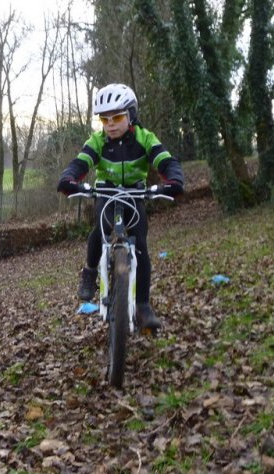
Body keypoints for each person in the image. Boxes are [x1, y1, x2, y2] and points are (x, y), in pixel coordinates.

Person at [57, 83, 184, 330]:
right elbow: (81, 162)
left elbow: (165, 160)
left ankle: (143, 306)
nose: (110, 124)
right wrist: (69, 178)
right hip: (106, 193)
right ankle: (90, 271)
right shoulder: (99, 140)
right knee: (100, 231)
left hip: (135, 195)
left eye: (116, 117)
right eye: (104, 119)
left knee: (141, 246)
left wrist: (175, 180)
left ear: (131, 115)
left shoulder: (145, 138)